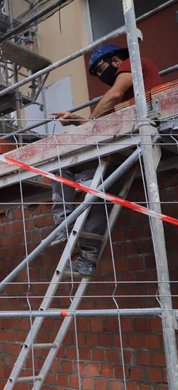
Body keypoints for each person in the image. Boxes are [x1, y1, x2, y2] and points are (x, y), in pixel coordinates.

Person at [50, 44, 161, 276]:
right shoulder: (131, 96)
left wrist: (89, 123)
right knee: (96, 191)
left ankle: (63, 223)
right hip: (128, 137)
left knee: (65, 163)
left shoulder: (133, 64)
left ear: (116, 61)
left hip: (142, 131)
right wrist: (76, 120)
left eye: (101, 69)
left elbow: (113, 95)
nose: (101, 76)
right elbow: (102, 122)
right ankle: (86, 256)